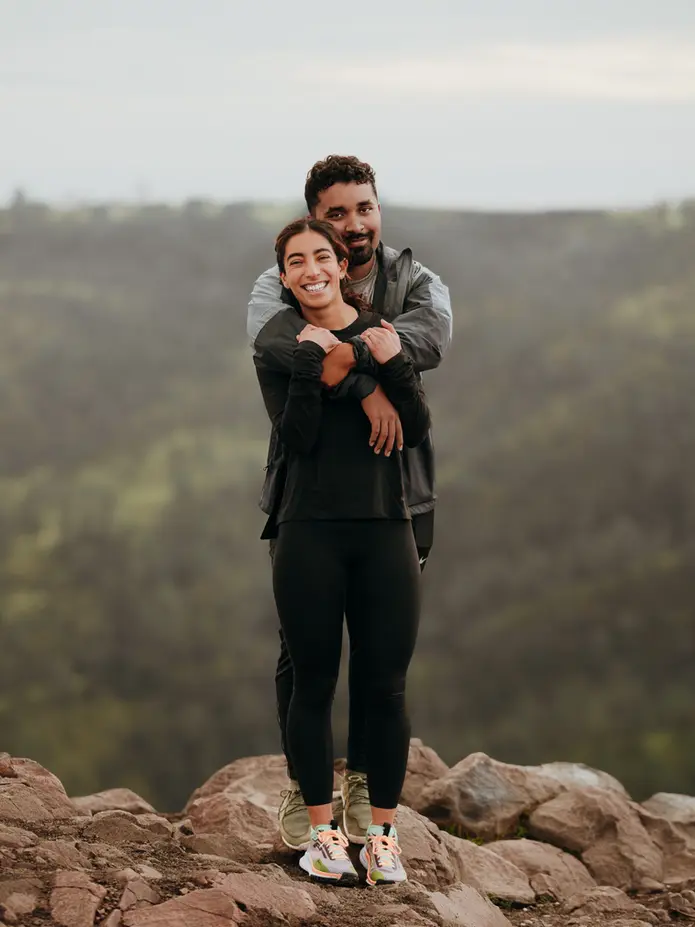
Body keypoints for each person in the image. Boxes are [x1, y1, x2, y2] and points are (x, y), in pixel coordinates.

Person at [247, 155, 452, 850]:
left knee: (381, 654)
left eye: (363, 208)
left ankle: (366, 789)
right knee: (301, 658)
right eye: (337, 213)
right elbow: (272, 340)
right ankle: (307, 793)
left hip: (400, 490)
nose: (354, 224)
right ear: (315, 219)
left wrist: (350, 352)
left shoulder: (414, 280)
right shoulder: (282, 276)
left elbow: (429, 340)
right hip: (306, 496)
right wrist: (369, 380)